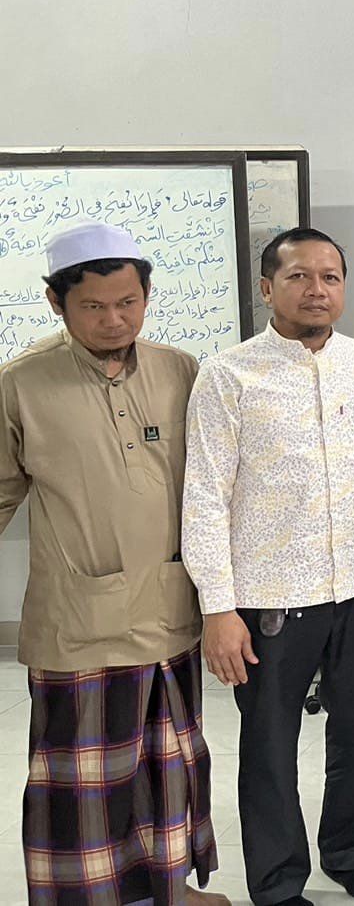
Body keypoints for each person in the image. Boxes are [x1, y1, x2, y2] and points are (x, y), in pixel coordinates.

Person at [181, 227, 354, 906]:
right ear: (267, 287)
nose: (317, 289)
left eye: (330, 277)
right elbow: (204, 496)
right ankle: (277, 879)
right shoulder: (227, 375)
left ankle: (347, 850)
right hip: (268, 595)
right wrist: (217, 606)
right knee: (269, 748)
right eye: (298, 276)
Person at [0, 221, 225, 905]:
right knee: (84, 792)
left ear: (147, 295)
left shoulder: (180, 369)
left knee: (167, 770)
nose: (114, 319)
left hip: (168, 608)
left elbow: (212, 485)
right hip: (79, 622)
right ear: (55, 301)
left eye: (128, 302)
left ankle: (169, 889)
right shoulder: (20, 383)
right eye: (93, 306)